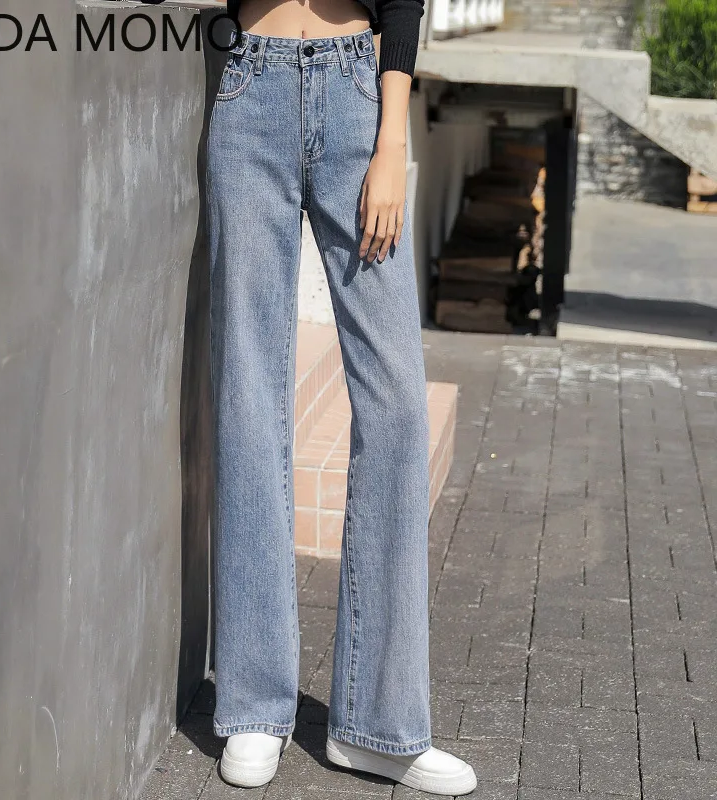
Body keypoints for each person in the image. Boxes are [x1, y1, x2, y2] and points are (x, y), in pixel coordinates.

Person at [206, 0, 478, 794]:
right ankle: (254, 705)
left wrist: (392, 142)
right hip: (249, 92)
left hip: (358, 95)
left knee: (396, 405)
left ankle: (379, 725)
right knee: (250, 396)